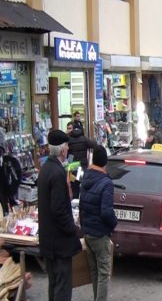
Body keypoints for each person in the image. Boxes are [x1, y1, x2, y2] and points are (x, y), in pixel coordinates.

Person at [37, 129, 82, 301]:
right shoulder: (56, 173)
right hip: (59, 241)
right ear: (63, 150)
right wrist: (73, 229)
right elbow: (59, 210)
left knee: (54, 283)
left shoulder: (46, 168)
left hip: (49, 239)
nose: (68, 150)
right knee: (62, 286)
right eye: (67, 147)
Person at [80, 145, 117, 301]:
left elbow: (82, 204)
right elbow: (107, 212)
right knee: (103, 272)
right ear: (105, 162)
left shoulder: (86, 178)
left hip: (87, 231)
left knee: (95, 271)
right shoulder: (106, 182)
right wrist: (113, 224)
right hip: (99, 232)